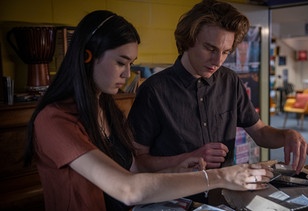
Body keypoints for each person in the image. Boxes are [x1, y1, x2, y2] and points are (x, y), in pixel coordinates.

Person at [24, 10, 274, 211]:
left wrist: (178, 168)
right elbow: (128, 189)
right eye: (120, 62)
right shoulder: (54, 119)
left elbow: (135, 170)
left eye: (130, 64)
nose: (127, 73)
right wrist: (221, 176)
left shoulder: (107, 108)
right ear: (88, 56)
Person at [128, 0, 308, 188]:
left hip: (223, 192)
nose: (217, 60)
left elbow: (261, 133)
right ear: (188, 40)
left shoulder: (230, 80)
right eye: (210, 48)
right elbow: (138, 162)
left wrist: (287, 134)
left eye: (225, 52)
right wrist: (189, 157)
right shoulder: (154, 90)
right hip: (172, 196)